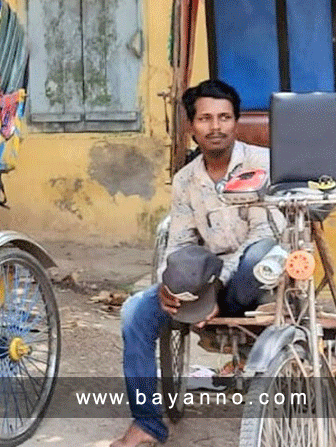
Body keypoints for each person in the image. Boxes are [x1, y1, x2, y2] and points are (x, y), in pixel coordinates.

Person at [110, 78, 283, 447]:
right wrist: (170, 285)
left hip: (255, 279)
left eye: (224, 117)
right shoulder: (185, 180)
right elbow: (181, 242)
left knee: (257, 254)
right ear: (192, 127)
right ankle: (147, 423)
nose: (215, 127)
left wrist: (216, 288)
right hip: (206, 279)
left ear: (236, 122)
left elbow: (262, 237)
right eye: (205, 119)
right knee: (134, 314)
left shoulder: (262, 164)